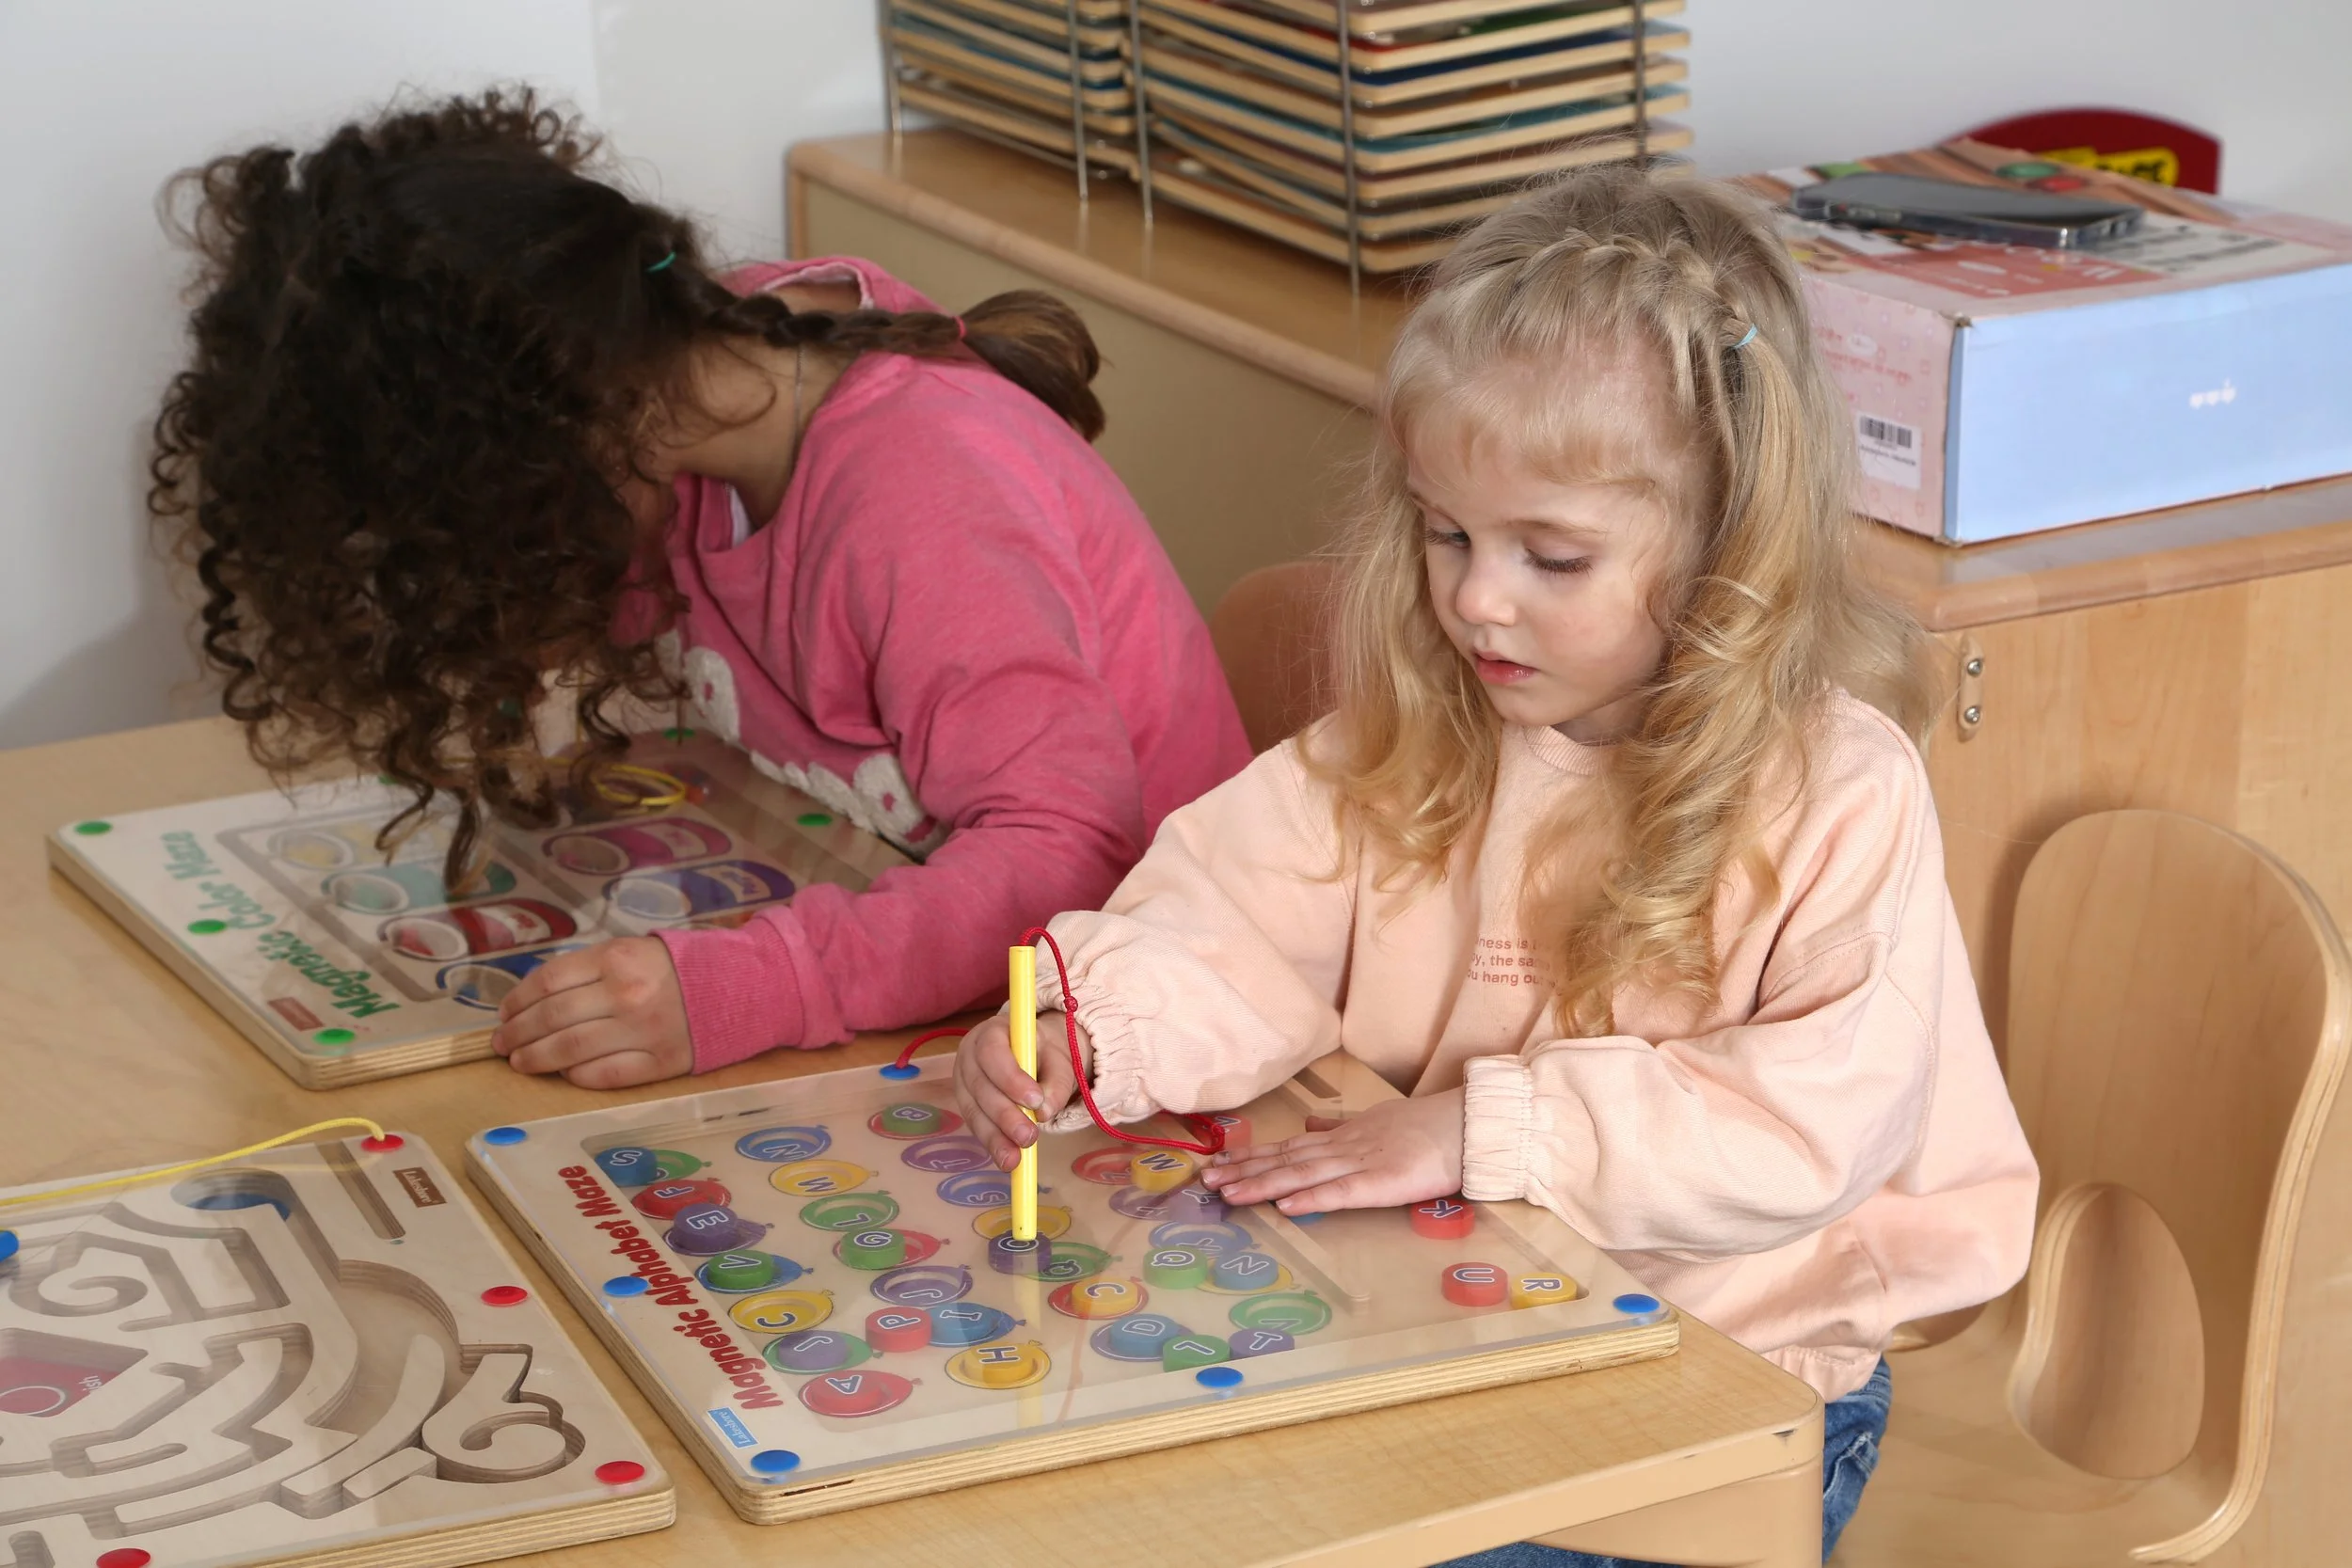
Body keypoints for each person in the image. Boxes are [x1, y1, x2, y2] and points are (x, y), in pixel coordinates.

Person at [953, 165, 2037, 1562]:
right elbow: (1228, 912)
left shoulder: (1840, 789)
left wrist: (1479, 1129)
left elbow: (1812, 1127)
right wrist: (1091, 1025)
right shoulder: (1429, 726)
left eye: (1554, 554)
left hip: (1732, 1382)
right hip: (1457, 1323)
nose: (1475, 596)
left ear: (1727, 545)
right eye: (1447, 531)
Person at [149, 89, 1249, 1087]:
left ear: (558, 445)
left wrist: (753, 983)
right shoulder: (702, 366)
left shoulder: (918, 493)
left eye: (477, 541)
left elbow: (1067, 853)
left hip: (1133, 1035)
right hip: (939, 1009)